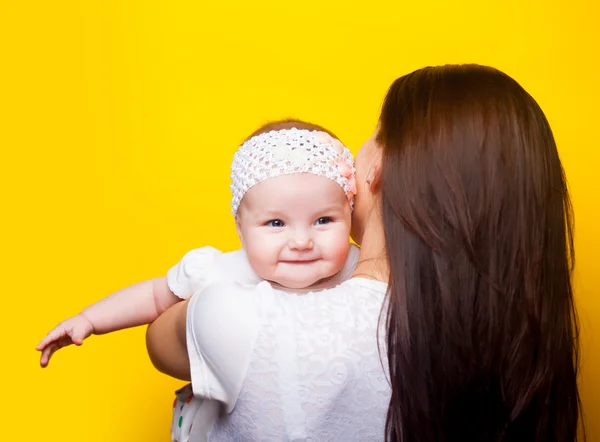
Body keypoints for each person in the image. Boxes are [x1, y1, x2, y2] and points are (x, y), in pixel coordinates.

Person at [147, 63, 582, 442]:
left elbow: (160, 339)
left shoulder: (241, 318)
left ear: (381, 167)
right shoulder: (510, 353)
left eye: (374, 135)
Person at [36, 119, 360, 441]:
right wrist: (89, 319)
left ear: (350, 214)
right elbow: (152, 297)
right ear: (241, 228)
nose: (301, 241)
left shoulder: (362, 272)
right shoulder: (221, 271)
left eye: (323, 220)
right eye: (276, 223)